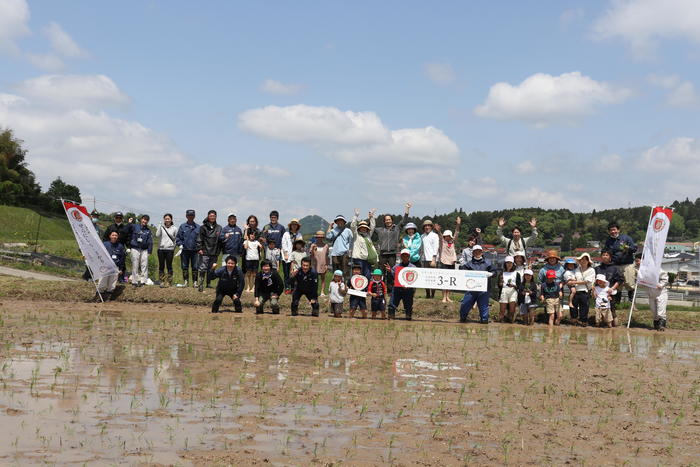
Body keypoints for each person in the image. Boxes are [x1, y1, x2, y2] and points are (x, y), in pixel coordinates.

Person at [373, 203, 411, 288]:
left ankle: (390, 289)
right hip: (382, 254)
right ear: (384, 221)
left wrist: (407, 210)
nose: (388, 221)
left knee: (391, 272)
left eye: (389, 219)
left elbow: (403, 221)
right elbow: (371, 228)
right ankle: (380, 288)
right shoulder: (380, 230)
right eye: (386, 220)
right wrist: (371, 217)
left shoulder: (396, 228)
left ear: (392, 220)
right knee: (381, 272)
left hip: (392, 254)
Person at [458, 245, 493, 324]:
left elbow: (495, 272)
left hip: (484, 290)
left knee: (484, 308)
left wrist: (491, 274)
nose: (477, 253)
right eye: (475, 251)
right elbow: (462, 272)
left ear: (482, 252)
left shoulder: (488, 263)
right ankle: (462, 319)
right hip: (471, 290)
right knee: (465, 305)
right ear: (473, 253)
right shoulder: (469, 264)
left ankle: (484, 322)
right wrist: (461, 265)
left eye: (479, 251)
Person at [604, 222, 638, 301]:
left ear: (618, 230)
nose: (613, 232)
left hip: (627, 264)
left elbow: (634, 249)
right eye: (611, 230)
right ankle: (617, 303)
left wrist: (627, 248)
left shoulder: (626, 238)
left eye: (614, 230)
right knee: (617, 284)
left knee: (629, 283)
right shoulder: (608, 241)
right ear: (609, 232)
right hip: (615, 265)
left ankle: (632, 302)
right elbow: (606, 252)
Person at [386, 249, 418, 320]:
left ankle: (408, 317)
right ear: (401, 257)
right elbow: (393, 275)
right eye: (403, 255)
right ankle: (391, 317)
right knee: (392, 304)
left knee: (408, 305)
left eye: (406, 255)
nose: (405, 257)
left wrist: (410, 287)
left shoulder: (413, 267)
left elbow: (415, 279)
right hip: (397, 288)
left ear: (409, 257)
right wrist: (389, 270)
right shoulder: (396, 267)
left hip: (408, 289)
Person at [595, 250, 624, 325]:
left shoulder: (615, 268)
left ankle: (614, 325)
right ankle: (600, 323)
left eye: (607, 255)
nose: (605, 256)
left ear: (610, 257)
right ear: (601, 257)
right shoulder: (597, 268)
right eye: (603, 255)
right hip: (599, 292)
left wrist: (612, 288)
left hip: (610, 292)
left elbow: (620, 280)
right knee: (599, 308)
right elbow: (594, 281)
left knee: (612, 308)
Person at [196, 210, 222, 292]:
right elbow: (199, 238)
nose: (212, 217)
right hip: (205, 251)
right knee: (203, 268)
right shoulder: (203, 227)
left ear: (216, 217)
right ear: (208, 216)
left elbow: (221, 240)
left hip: (215, 252)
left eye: (214, 216)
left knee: (211, 269)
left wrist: (219, 251)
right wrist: (199, 248)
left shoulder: (219, 227)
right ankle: (200, 284)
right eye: (211, 216)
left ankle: (208, 284)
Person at [436, 217, 461, 303]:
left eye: (448, 236)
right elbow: (439, 236)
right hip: (444, 262)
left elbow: (457, 232)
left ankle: (448, 297)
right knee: (444, 279)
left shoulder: (453, 242)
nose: (447, 237)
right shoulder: (442, 242)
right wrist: (438, 231)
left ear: (450, 236)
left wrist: (458, 224)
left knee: (450, 280)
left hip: (452, 262)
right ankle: (444, 297)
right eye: (445, 236)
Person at [97, 231, 126, 301]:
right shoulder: (105, 244)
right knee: (102, 283)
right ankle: (99, 297)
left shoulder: (121, 246)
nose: (114, 236)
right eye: (113, 235)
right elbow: (99, 254)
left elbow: (122, 258)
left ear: (117, 237)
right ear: (110, 236)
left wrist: (121, 269)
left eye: (116, 235)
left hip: (115, 267)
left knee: (112, 284)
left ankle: (108, 298)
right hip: (105, 267)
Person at [102, 212, 131, 282]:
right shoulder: (110, 227)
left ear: (122, 219)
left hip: (120, 247)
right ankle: (106, 277)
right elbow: (105, 238)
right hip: (111, 247)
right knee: (109, 262)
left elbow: (128, 238)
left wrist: (129, 247)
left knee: (122, 263)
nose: (118, 219)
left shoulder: (125, 228)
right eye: (117, 217)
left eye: (120, 217)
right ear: (114, 218)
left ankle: (120, 278)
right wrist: (105, 245)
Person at [350, 209, 378, 279]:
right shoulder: (356, 235)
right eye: (362, 227)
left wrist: (371, 217)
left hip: (368, 259)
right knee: (358, 276)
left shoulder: (368, 236)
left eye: (365, 228)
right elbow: (353, 226)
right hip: (358, 259)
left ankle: (366, 289)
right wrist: (356, 216)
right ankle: (358, 290)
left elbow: (373, 226)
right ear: (359, 228)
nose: (363, 229)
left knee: (367, 276)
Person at [175, 209, 200, 287]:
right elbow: (178, 238)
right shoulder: (182, 226)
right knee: (184, 266)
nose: (190, 217)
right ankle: (186, 282)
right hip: (184, 250)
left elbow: (201, 239)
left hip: (195, 251)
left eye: (192, 215)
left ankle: (195, 282)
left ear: (194, 216)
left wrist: (199, 247)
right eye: (189, 215)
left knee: (195, 267)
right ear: (186, 216)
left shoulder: (198, 227)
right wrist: (180, 245)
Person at [570, 253, 596, 326]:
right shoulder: (577, 269)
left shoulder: (591, 270)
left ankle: (583, 321)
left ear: (588, 261)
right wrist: (572, 281)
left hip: (585, 291)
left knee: (584, 307)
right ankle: (574, 320)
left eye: (585, 259)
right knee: (573, 306)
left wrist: (574, 282)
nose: (583, 261)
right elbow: (573, 277)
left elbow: (587, 281)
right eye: (582, 259)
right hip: (575, 290)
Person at [128, 215, 153, 287]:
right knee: (135, 265)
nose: (145, 221)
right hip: (135, 248)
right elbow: (127, 231)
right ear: (141, 219)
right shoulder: (135, 226)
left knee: (144, 265)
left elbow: (150, 241)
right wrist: (129, 223)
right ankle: (134, 282)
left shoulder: (148, 230)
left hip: (144, 249)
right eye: (144, 219)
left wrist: (150, 251)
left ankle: (143, 282)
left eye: (146, 220)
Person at [155, 213, 177, 287]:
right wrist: (159, 226)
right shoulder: (161, 227)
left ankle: (169, 282)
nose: (167, 220)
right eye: (166, 219)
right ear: (164, 219)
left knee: (169, 266)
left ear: (171, 219)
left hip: (170, 249)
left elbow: (176, 239)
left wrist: (173, 247)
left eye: (168, 218)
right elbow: (157, 235)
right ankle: (161, 281)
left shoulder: (174, 228)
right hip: (161, 249)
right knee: (161, 266)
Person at [281, 219, 303, 293]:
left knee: (294, 273)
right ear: (290, 226)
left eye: (295, 225)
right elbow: (283, 244)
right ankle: (287, 287)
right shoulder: (286, 234)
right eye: (293, 224)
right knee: (286, 273)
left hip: (296, 256)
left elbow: (301, 244)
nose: (294, 226)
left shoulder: (299, 234)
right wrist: (285, 254)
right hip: (286, 256)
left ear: (297, 226)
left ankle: (293, 288)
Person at [421, 219, 440, 299]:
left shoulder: (435, 235)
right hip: (424, 259)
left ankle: (433, 295)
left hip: (433, 259)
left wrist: (434, 259)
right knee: (426, 278)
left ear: (431, 227)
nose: (427, 227)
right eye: (425, 226)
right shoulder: (422, 236)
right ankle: (427, 294)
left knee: (433, 278)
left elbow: (436, 247)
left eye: (429, 225)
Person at [498, 256, 520, 323]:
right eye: (507, 263)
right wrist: (500, 283)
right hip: (504, 291)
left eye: (510, 263)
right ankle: (501, 322)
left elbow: (519, 285)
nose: (509, 264)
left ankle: (510, 322)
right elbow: (499, 285)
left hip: (513, 291)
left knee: (512, 310)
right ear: (505, 264)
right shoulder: (502, 273)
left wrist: (513, 286)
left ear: (513, 264)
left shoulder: (516, 274)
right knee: (502, 310)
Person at [310, 231, 330, 296]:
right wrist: (313, 249)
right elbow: (311, 255)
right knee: (314, 279)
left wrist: (327, 265)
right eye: (318, 237)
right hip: (314, 264)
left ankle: (322, 292)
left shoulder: (326, 245)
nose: (320, 238)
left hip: (323, 264)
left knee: (323, 278)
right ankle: (314, 291)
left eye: (321, 237)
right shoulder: (313, 245)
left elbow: (327, 256)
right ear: (316, 237)